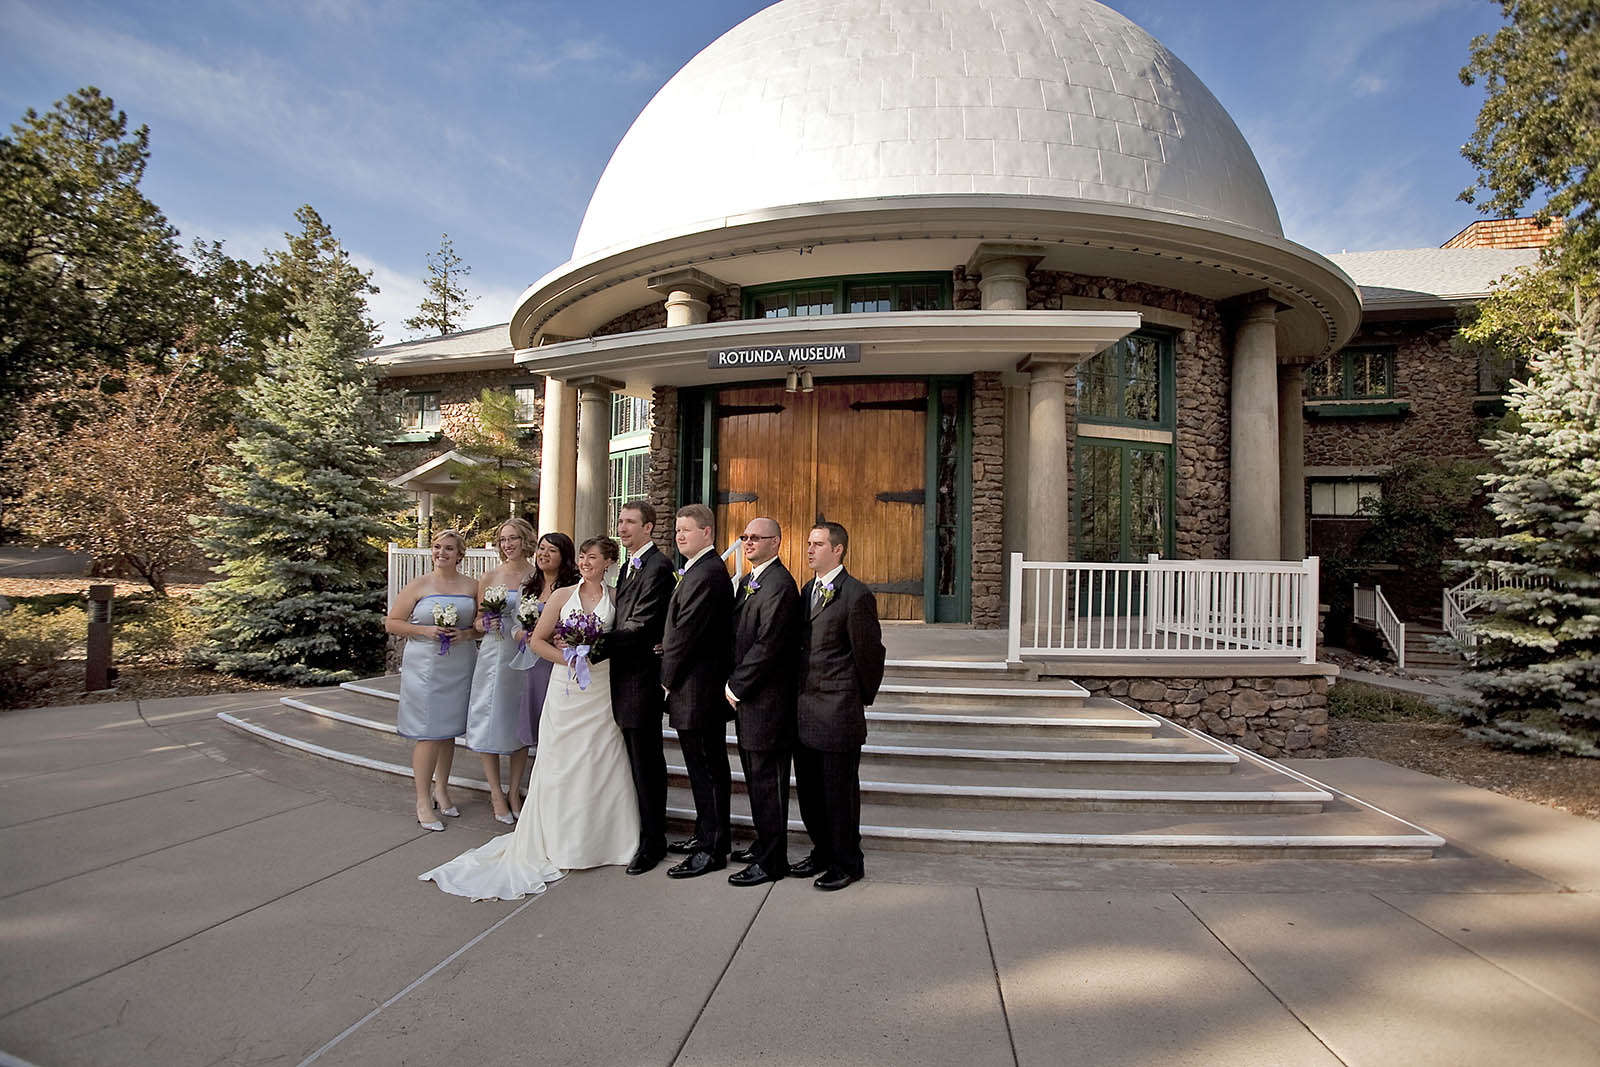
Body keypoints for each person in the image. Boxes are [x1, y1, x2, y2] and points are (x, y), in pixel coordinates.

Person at [420, 536, 639, 900]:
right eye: (582, 557)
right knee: (561, 763)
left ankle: (605, 839)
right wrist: (568, 658)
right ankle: (559, 838)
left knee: (601, 759)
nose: (585, 563)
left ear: (608, 562)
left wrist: (594, 655)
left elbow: (624, 640)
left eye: (593, 558)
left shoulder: (616, 598)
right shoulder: (560, 595)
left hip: (601, 691)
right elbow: (538, 641)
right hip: (565, 689)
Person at [792, 521, 885, 891]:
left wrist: (854, 697)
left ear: (838, 549)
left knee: (839, 794)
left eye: (817, 544)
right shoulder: (806, 591)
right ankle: (821, 851)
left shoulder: (856, 595)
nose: (810, 550)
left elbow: (869, 655)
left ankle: (847, 861)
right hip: (805, 711)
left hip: (838, 712)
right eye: (809, 543)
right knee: (811, 792)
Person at [724, 517, 801, 887]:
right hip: (752, 704)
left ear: (777, 542)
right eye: (745, 537)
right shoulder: (753, 580)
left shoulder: (780, 586)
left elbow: (769, 644)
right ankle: (763, 844)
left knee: (768, 784)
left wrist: (735, 686)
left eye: (757, 537)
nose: (749, 542)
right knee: (756, 781)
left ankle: (773, 861)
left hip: (767, 704)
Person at [385, 529, 479, 832]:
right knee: (428, 732)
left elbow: (481, 626)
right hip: (425, 665)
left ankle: (442, 789)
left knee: (448, 731)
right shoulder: (419, 585)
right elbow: (392, 622)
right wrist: (426, 631)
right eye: (437, 547)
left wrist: (466, 633)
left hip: (460, 662)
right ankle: (422, 801)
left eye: (449, 548)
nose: (442, 552)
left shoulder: (472, 586)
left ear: (460, 554)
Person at [660, 503, 735, 879]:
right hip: (692, 687)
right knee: (701, 769)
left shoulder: (708, 573)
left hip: (698, 690)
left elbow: (686, 633)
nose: (680, 535)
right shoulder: (696, 569)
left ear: (708, 532)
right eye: (677, 530)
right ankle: (706, 834)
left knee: (707, 769)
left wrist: (666, 678)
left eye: (687, 529)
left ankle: (713, 848)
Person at [607, 500, 675, 875]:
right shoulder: (629, 566)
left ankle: (654, 842)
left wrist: (594, 644)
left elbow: (642, 623)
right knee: (634, 761)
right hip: (622, 677)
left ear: (649, 527)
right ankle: (640, 832)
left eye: (631, 522)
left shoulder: (658, 566)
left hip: (641, 680)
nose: (623, 527)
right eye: (621, 520)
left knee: (647, 763)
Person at [465, 518, 538, 824]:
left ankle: (514, 790)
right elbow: (477, 623)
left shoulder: (537, 576)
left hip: (525, 654)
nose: (508, 545)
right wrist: (485, 623)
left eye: (513, 539)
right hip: (495, 654)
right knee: (491, 718)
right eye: (503, 540)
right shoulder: (490, 576)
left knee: (518, 720)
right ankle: (495, 792)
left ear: (525, 540)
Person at [514, 531, 580, 756]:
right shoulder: (528, 586)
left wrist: (555, 635)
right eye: (541, 548)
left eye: (552, 550)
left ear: (564, 556)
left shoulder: (574, 588)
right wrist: (523, 635)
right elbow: (515, 626)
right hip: (533, 663)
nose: (544, 554)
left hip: (559, 661)